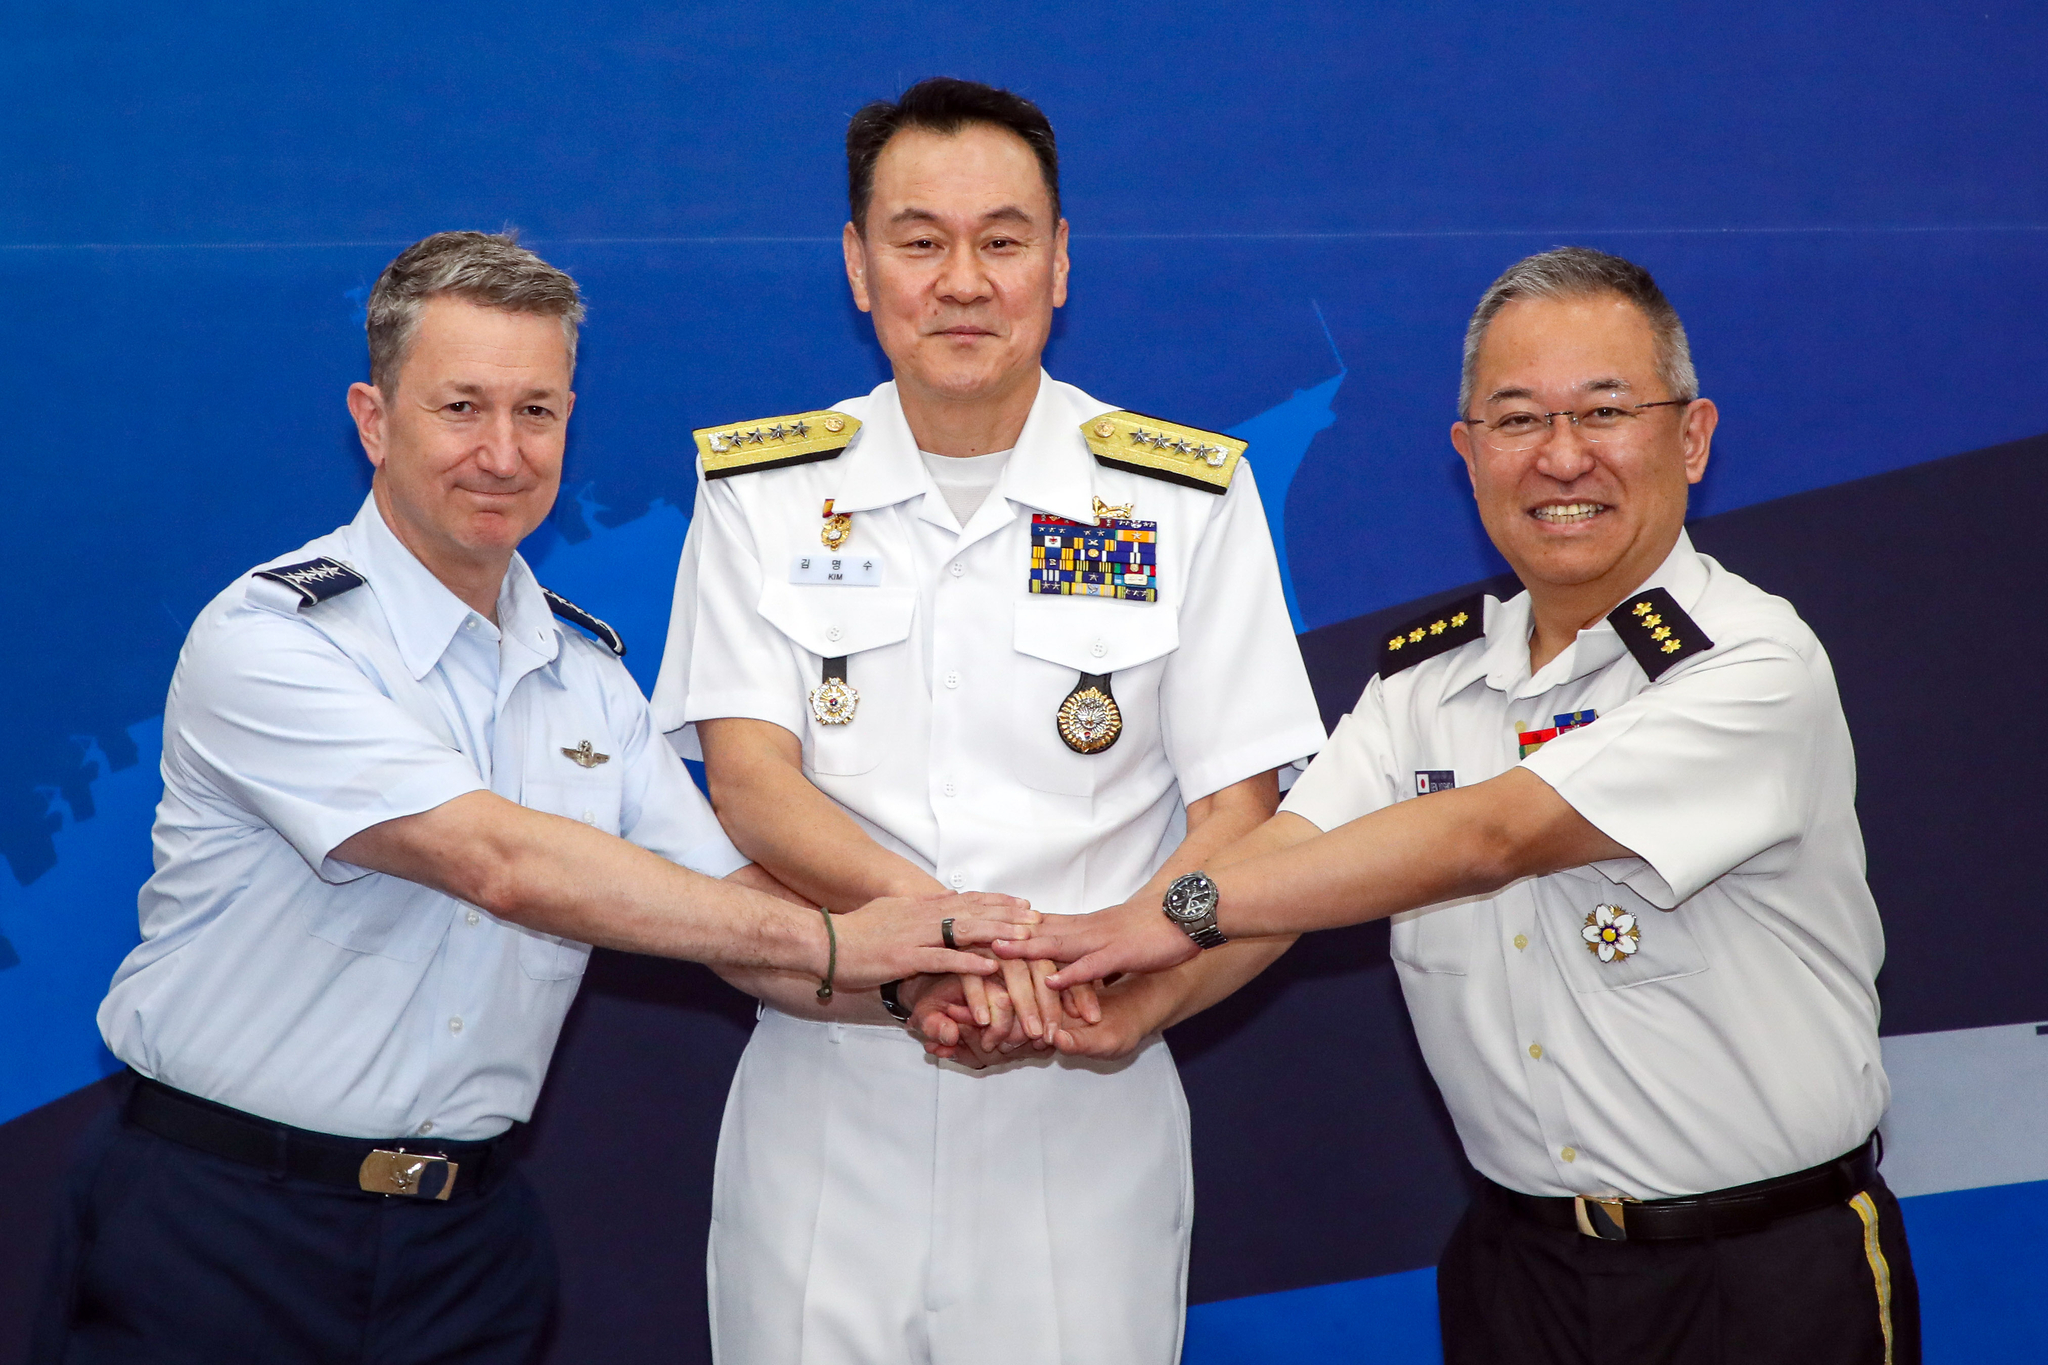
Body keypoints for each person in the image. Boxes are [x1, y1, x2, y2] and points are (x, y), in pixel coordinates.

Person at [31, 231, 1030, 1365]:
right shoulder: (270, 639)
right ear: (372, 419)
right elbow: (497, 864)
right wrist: (847, 940)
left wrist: (918, 997)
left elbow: (725, 918)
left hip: (466, 1253)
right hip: (215, 1229)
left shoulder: (590, 677)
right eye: (460, 408)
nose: (502, 454)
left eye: (537, 412)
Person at [1000, 247, 1920, 1365]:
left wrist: (1168, 910)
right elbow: (1291, 865)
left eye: (1604, 410)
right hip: (1515, 1274)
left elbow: (1491, 837)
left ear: (1689, 435)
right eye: (1517, 419)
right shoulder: (1422, 684)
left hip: (1756, 1280)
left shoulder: (1750, 665)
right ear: (1466, 454)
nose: (1561, 456)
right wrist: (1131, 1005)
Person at [651, 78, 1326, 1364]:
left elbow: (1240, 812)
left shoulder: (1182, 495)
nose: (962, 280)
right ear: (858, 266)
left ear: (1060, 262)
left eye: (1003, 240)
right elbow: (748, 781)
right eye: (919, 241)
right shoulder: (762, 490)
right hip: (828, 1089)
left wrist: (1082, 970)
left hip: (1085, 1084)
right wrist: (940, 939)